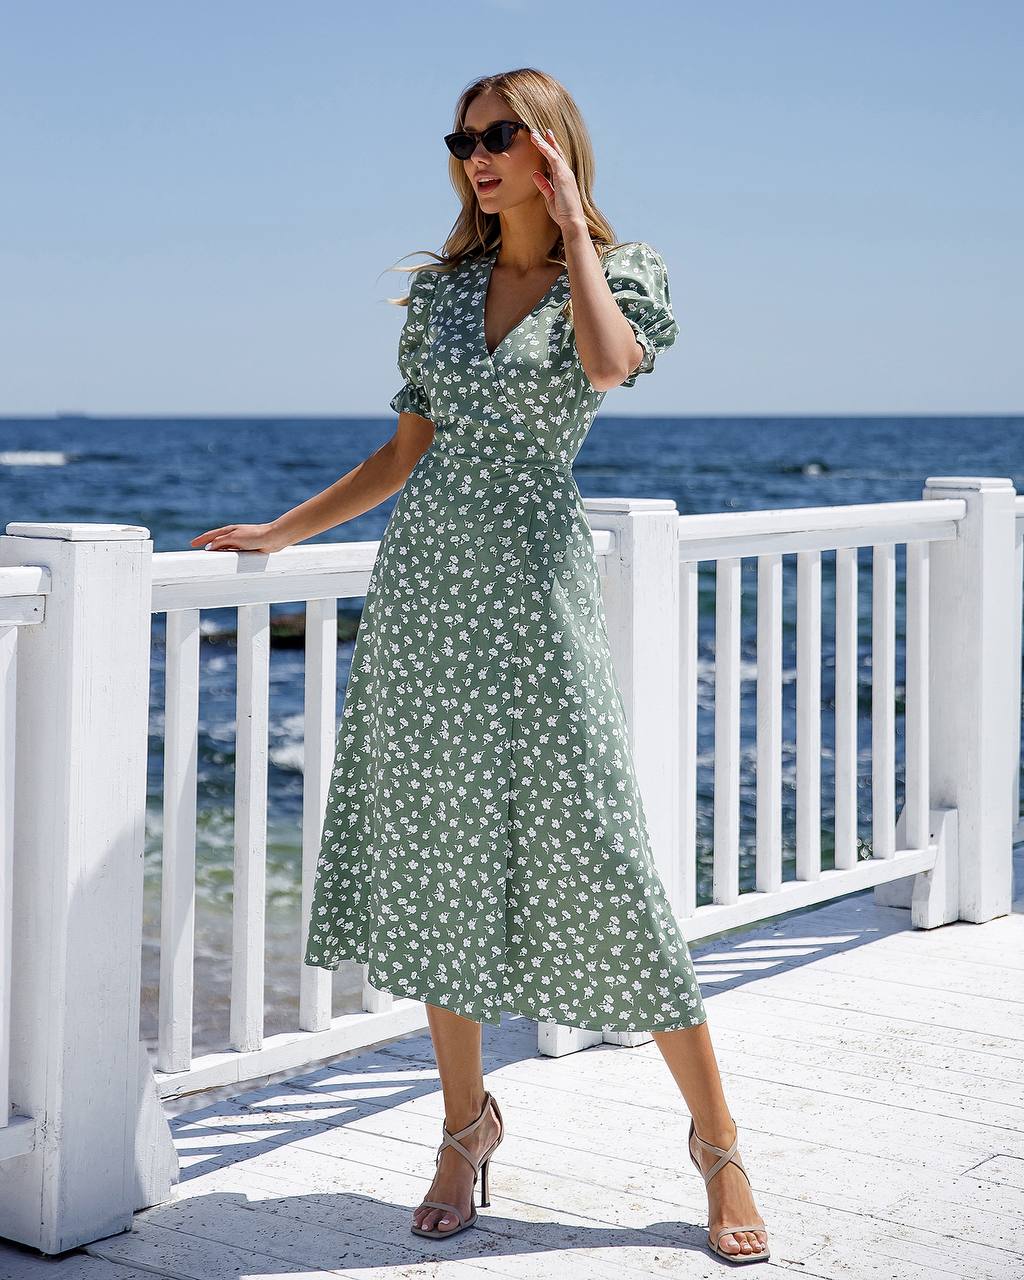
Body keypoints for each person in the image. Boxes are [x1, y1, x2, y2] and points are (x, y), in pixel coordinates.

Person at [191, 66, 769, 1265]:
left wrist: (573, 231)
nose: (478, 155)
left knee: (606, 853)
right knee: (442, 861)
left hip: (535, 601)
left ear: (551, 144)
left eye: (501, 134)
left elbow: (607, 366)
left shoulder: (622, 270)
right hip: (425, 603)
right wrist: (282, 531)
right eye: (462, 141)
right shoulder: (442, 292)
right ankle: (464, 1129)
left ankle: (717, 1140)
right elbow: (402, 453)